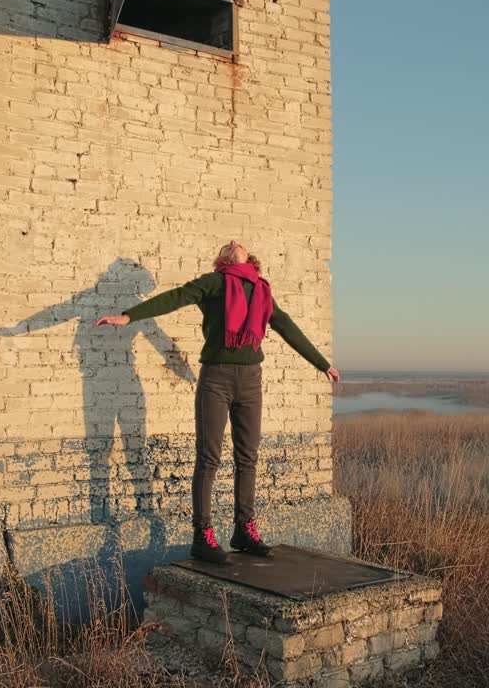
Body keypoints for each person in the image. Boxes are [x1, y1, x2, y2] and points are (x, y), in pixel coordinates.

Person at [93, 240, 341, 564]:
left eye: (238, 243)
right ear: (223, 259)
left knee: (247, 458)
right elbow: (175, 297)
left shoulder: (261, 290)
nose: (233, 243)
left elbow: (286, 325)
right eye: (228, 245)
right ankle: (203, 536)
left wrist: (321, 363)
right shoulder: (214, 282)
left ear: (249, 256)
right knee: (209, 458)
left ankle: (244, 530)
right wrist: (129, 316)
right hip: (216, 378)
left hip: (251, 380)